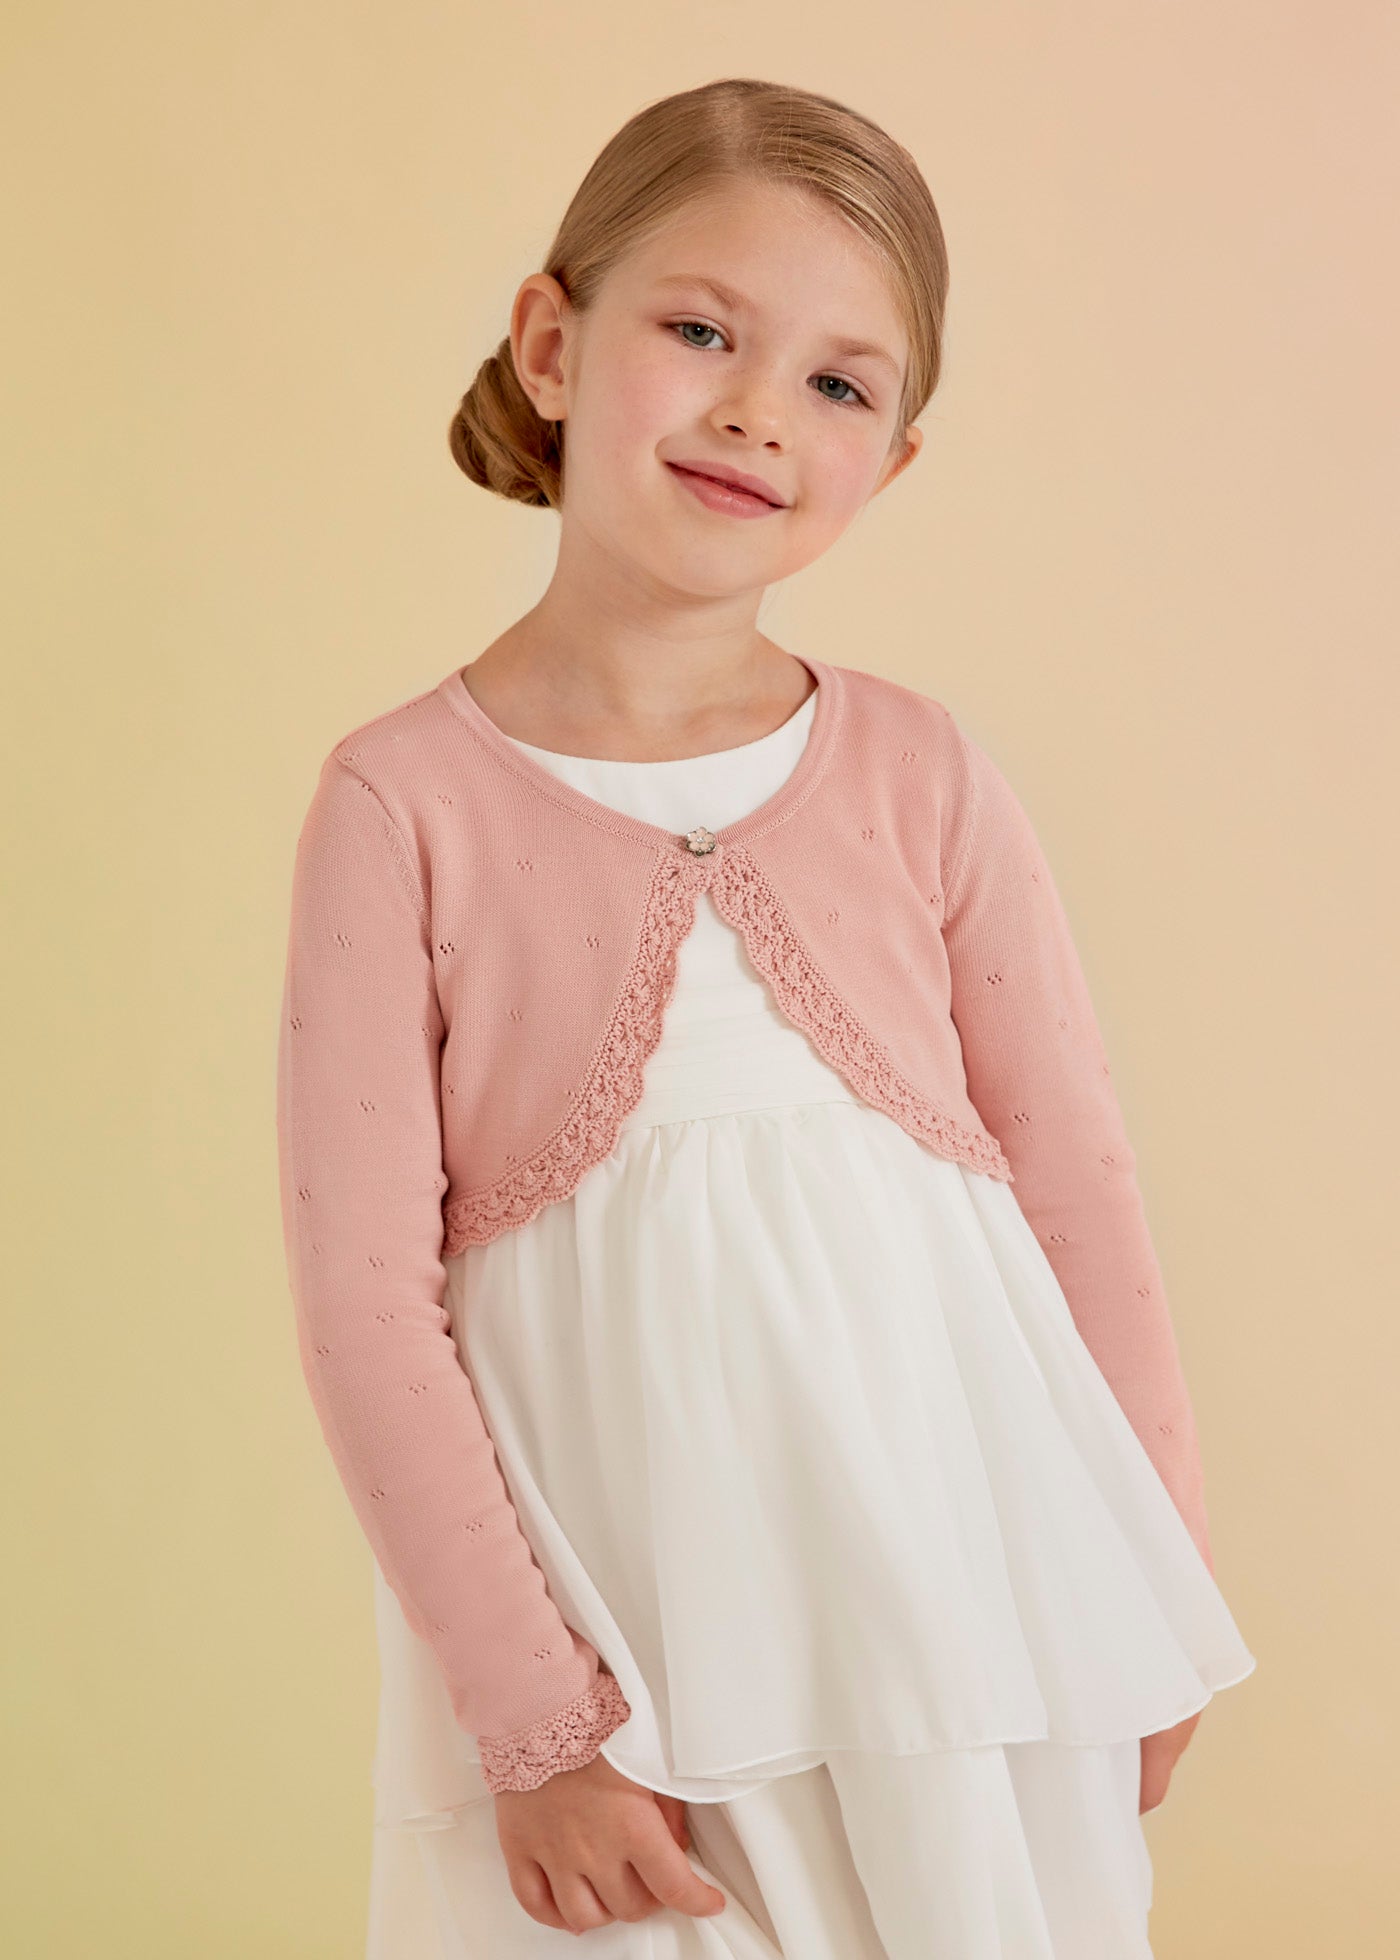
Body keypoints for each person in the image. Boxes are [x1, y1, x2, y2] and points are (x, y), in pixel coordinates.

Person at [275, 76, 1256, 1959]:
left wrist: (1147, 1583)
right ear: (552, 345)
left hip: (961, 1607)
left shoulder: (922, 773)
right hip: (624, 1638)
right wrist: (540, 1725)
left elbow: (1080, 1192)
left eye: (839, 382)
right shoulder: (402, 803)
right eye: (703, 332)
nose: (756, 413)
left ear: (894, 461)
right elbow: (364, 1301)